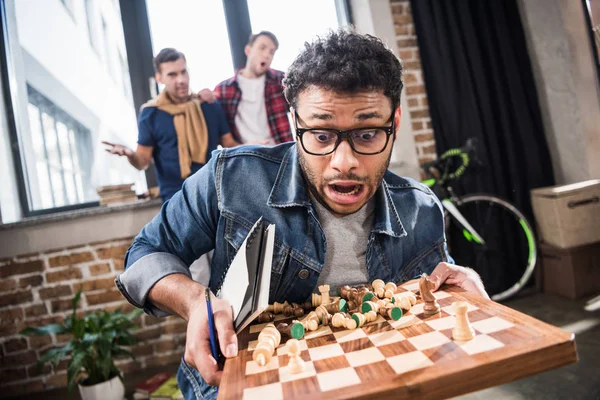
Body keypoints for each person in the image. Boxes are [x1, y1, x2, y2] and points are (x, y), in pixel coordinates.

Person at [115, 30, 488, 400]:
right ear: (295, 122)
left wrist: (458, 283)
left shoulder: (421, 209)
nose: (345, 163)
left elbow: (434, 288)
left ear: (396, 121)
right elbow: (144, 255)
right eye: (322, 135)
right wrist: (195, 300)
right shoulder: (230, 178)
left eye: (369, 133)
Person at [103, 48, 240, 202]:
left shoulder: (208, 105)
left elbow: (229, 144)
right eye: (172, 75)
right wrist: (129, 154)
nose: (181, 80)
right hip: (176, 200)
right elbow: (142, 162)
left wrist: (257, 147)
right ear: (159, 78)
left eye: (183, 72)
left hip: (214, 194)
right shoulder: (151, 113)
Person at [212, 31, 293, 145]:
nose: (267, 55)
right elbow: (220, 133)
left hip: (281, 155)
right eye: (262, 48)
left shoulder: (281, 81)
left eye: (271, 52)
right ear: (248, 50)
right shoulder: (224, 89)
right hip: (245, 157)